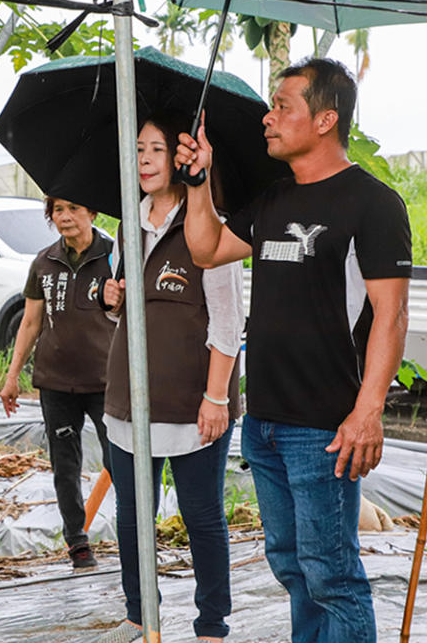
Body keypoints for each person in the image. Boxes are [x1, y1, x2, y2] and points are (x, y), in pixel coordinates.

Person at [176, 58, 410, 643]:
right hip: (266, 424)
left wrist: (368, 411)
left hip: (326, 428)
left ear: (327, 118)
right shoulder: (273, 200)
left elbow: (393, 314)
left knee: (332, 575)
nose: (268, 117)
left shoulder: (373, 204)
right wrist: (199, 182)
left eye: (284, 106)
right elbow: (204, 249)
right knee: (291, 567)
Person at [101, 111, 244, 643]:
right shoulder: (127, 223)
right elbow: (129, 312)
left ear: (181, 158)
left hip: (192, 402)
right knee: (133, 515)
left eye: (155, 150)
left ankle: (211, 624)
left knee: (201, 516)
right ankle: (140, 614)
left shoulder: (209, 226)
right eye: (137, 149)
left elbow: (228, 319)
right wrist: (111, 300)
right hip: (129, 398)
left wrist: (215, 396)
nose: (143, 160)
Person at [0, 197, 115, 569]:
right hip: (56, 382)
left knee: (120, 461)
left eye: (74, 208)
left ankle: (136, 537)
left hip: (107, 382)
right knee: (65, 465)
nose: (64, 217)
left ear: (92, 212)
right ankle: (77, 544)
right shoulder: (44, 261)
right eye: (58, 210)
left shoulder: (115, 255)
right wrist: (13, 374)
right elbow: (31, 322)